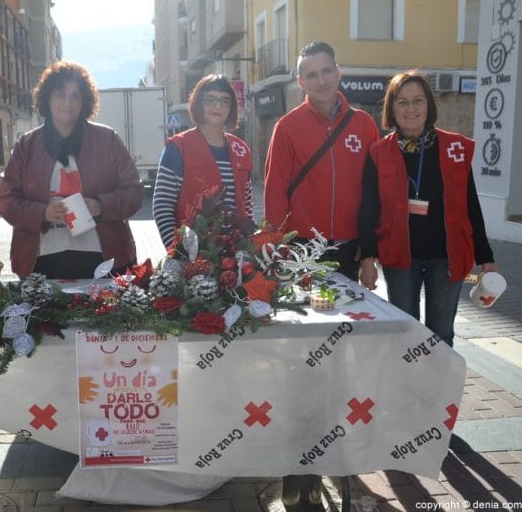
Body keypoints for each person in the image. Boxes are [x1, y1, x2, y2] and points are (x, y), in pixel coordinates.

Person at [359, 71, 500, 346]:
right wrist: (367, 257)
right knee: (405, 334)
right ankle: (408, 388)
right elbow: (369, 208)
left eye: (418, 100)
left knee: (441, 335)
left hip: (446, 258)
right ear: (392, 108)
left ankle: (439, 390)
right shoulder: (379, 152)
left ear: (428, 105)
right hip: (400, 260)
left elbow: (471, 205)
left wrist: (487, 259)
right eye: (402, 102)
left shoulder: (454, 148)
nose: (411, 109)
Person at [0, 61, 143, 278]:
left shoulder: (107, 140)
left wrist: (101, 206)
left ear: (85, 102)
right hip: (42, 258)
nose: (68, 102)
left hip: (103, 257)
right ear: (47, 97)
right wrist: (42, 213)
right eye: (60, 94)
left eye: (76, 96)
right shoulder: (26, 145)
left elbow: (134, 192)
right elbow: (6, 201)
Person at [264, 41, 379, 280]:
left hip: (350, 247)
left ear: (338, 72)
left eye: (327, 71)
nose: (322, 81)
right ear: (301, 82)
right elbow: (275, 191)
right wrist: (278, 245)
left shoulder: (364, 124)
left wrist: (369, 249)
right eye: (312, 75)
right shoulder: (286, 127)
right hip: (301, 246)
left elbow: (373, 191)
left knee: (348, 316)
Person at [152, 74, 253, 248]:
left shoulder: (241, 149)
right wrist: (177, 252)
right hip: (191, 253)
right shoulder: (178, 148)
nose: (218, 106)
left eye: (225, 101)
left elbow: (247, 205)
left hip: (235, 252)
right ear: (198, 103)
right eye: (210, 100)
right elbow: (162, 207)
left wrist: (249, 245)